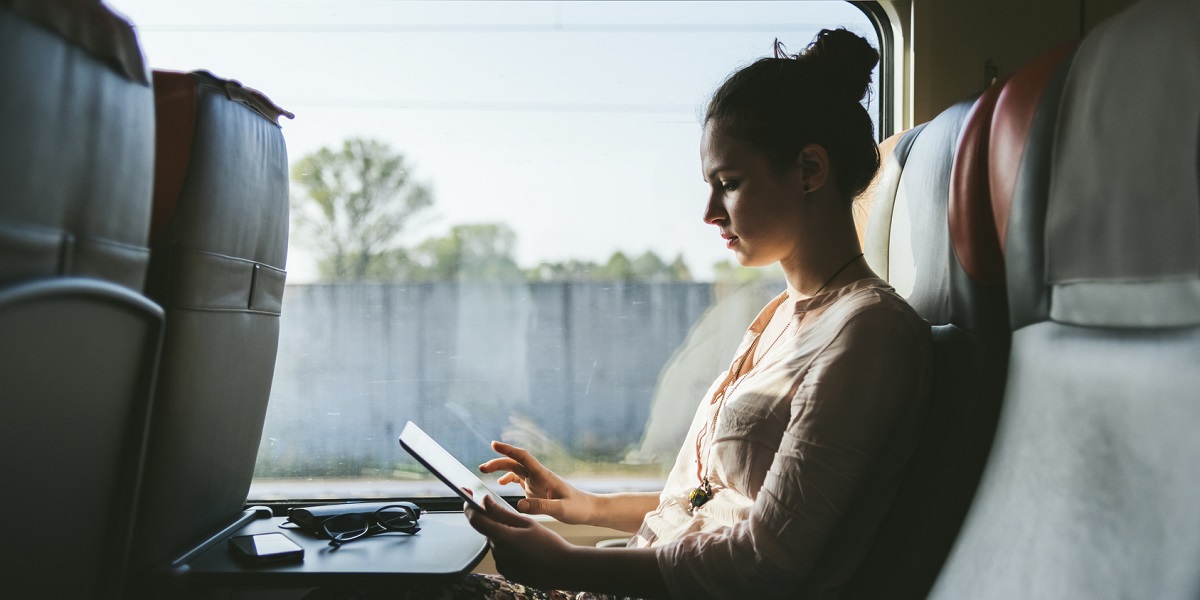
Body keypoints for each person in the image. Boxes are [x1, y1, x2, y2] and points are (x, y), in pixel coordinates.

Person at [384, 28, 932, 600]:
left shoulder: (869, 335)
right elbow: (715, 502)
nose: (708, 212)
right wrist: (585, 506)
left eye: (729, 184)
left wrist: (565, 566)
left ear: (810, 171)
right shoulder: (778, 317)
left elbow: (768, 560)